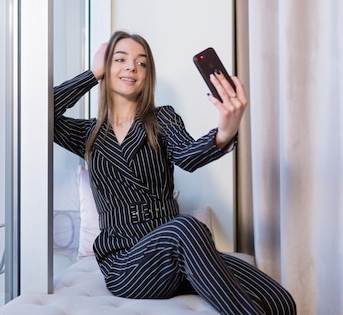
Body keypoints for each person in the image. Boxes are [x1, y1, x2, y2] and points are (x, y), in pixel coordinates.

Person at [53, 31, 296, 315]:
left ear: (148, 75)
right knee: (187, 227)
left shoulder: (163, 119)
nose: (132, 67)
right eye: (120, 59)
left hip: (178, 255)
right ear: (106, 67)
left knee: (281, 301)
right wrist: (92, 73)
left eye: (141, 63)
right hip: (127, 264)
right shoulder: (88, 134)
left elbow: (188, 157)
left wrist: (224, 132)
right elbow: (42, 111)